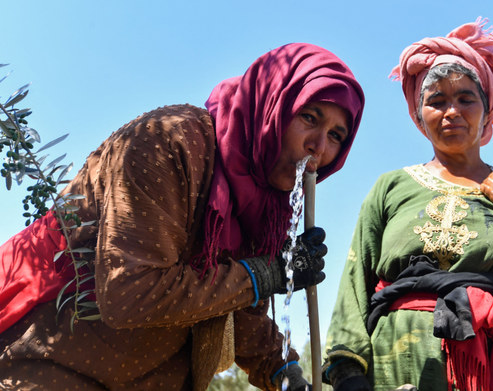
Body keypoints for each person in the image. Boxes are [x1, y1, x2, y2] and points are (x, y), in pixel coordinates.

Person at [0, 43, 364, 391]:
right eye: (309, 117)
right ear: (272, 106)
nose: (319, 145)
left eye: (336, 135)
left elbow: (239, 306)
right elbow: (129, 294)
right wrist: (263, 275)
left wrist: (285, 374)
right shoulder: (168, 144)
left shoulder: (267, 204)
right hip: (52, 357)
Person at [323, 18, 493, 391]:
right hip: (401, 366)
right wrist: (347, 372)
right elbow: (355, 285)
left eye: (466, 98)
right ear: (419, 117)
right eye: (436, 101)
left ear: (486, 111)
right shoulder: (390, 188)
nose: (452, 111)